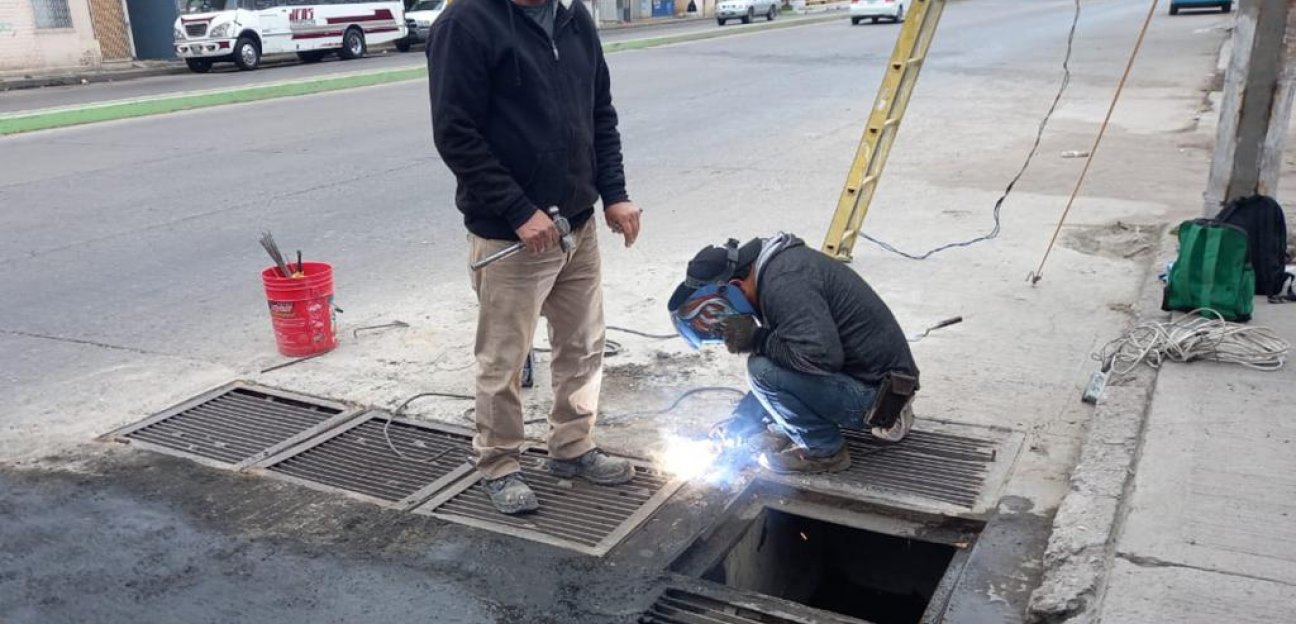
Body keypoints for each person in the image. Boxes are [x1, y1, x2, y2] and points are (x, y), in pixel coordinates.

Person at [428, 0, 643, 514]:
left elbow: (599, 112)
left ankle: (571, 445)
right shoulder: (464, 23)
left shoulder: (573, 16)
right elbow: (455, 133)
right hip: (511, 236)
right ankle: (499, 463)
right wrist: (519, 211)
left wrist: (612, 193)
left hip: (578, 223)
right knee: (503, 359)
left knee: (584, 345)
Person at [667, 233, 919, 474]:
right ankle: (833, 422)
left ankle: (826, 451)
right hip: (885, 386)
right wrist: (744, 419)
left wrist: (757, 338)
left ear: (734, 287)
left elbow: (819, 357)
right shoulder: (776, 270)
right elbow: (787, 359)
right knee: (771, 362)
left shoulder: (785, 282)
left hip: (880, 401)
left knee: (760, 370)